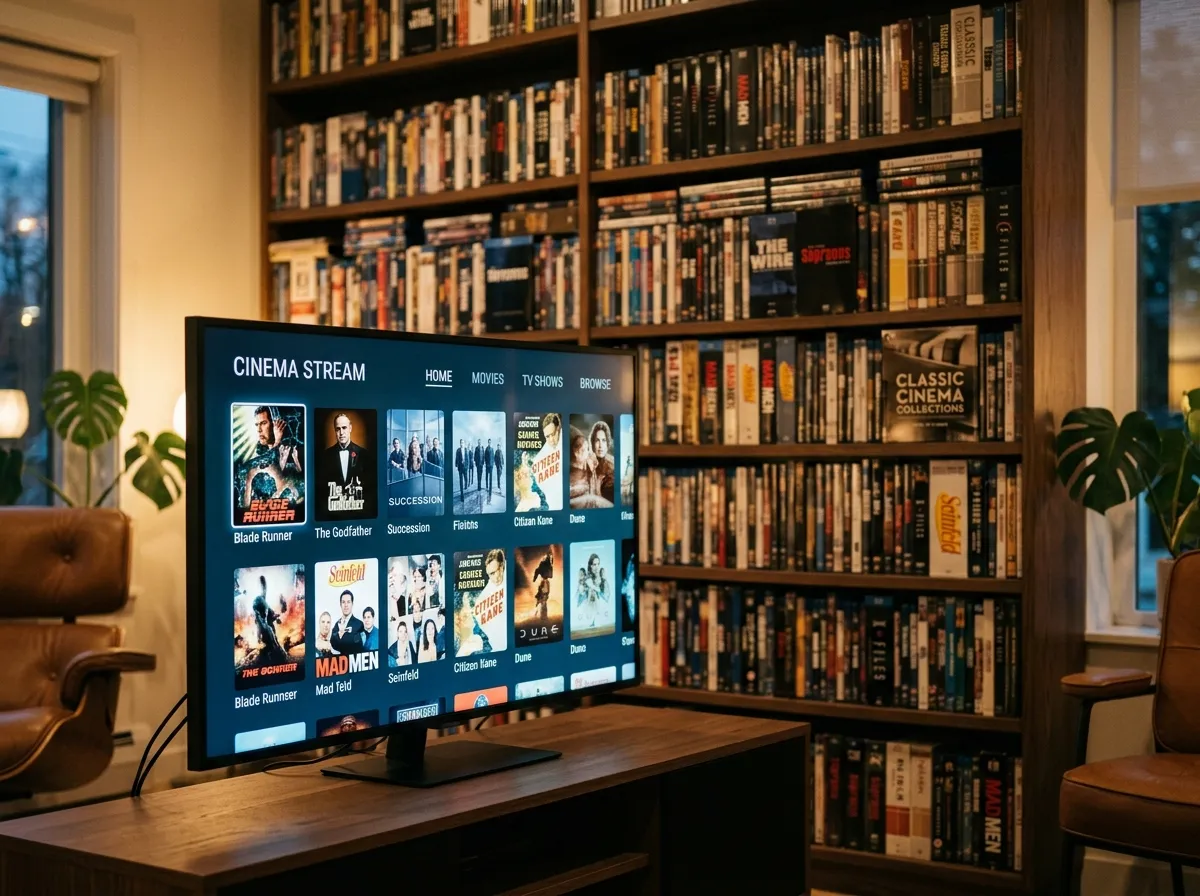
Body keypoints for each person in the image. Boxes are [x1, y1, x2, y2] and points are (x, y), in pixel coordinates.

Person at [317, 411, 373, 507]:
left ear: (350, 428)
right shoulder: (325, 456)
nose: (341, 433)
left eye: (344, 428)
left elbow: (369, 488)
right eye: (338, 429)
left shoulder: (363, 454)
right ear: (335, 430)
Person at [589, 420, 615, 506]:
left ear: (608, 443)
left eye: (604, 440)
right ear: (592, 443)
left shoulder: (613, 466)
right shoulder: (587, 463)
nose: (600, 446)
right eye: (597, 440)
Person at [330, 589, 365, 655]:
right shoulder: (336, 625)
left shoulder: (359, 624)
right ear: (340, 604)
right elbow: (332, 644)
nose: (346, 605)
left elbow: (358, 647)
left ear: (352, 604)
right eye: (343, 602)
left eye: (348, 602)